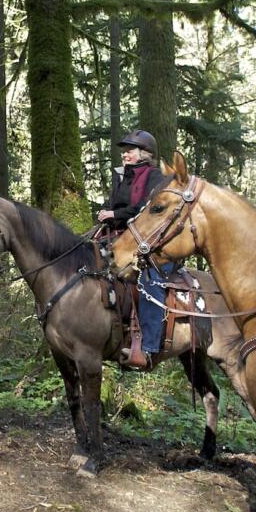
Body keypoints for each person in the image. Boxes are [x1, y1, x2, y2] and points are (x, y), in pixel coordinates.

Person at [96, 130, 176, 369]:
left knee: (149, 281)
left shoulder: (155, 176)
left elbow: (145, 208)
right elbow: (113, 204)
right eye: (125, 150)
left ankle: (149, 347)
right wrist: (105, 212)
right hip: (118, 235)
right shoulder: (122, 176)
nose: (125, 154)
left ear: (144, 154)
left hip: (147, 239)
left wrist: (115, 214)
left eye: (130, 150)